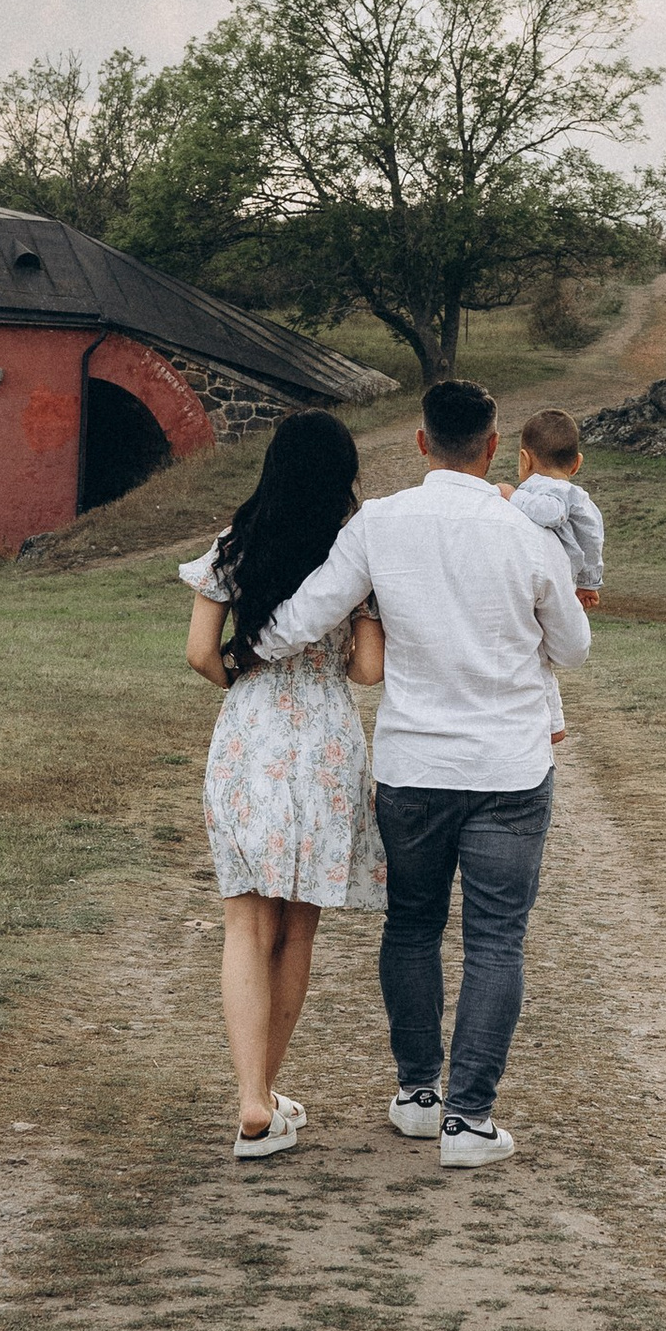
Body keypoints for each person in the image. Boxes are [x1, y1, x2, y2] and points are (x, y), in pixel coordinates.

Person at [250, 376, 589, 1169]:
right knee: (496, 939)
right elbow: (572, 648)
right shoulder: (525, 532)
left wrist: (244, 652)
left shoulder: (378, 522)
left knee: (412, 925)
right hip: (508, 765)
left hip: (414, 763)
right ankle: (469, 1121)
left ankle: (416, 1096)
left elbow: (308, 613)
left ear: (420, 441)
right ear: (494, 447)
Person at [179, 410, 386, 1165]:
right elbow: (369, 670)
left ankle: (251, 1100)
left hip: (250, 736)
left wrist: (246, 680)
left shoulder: (235, 545)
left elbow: (200, 652)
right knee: (297, 929)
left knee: (244, 922)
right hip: (325, 744)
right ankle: (265, 1094)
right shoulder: (351, 555)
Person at [507, 406, 603, 750]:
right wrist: (589, 582)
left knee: (535, 650)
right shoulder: (580, 496)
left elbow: (550, 514)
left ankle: (553, 723)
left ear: (524, 460)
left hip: (546, 576)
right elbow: (593, 540)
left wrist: (512, 496)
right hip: (563, 579)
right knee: (542, 653)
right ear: (576, 464)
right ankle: (554, 723)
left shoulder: (544, 490)